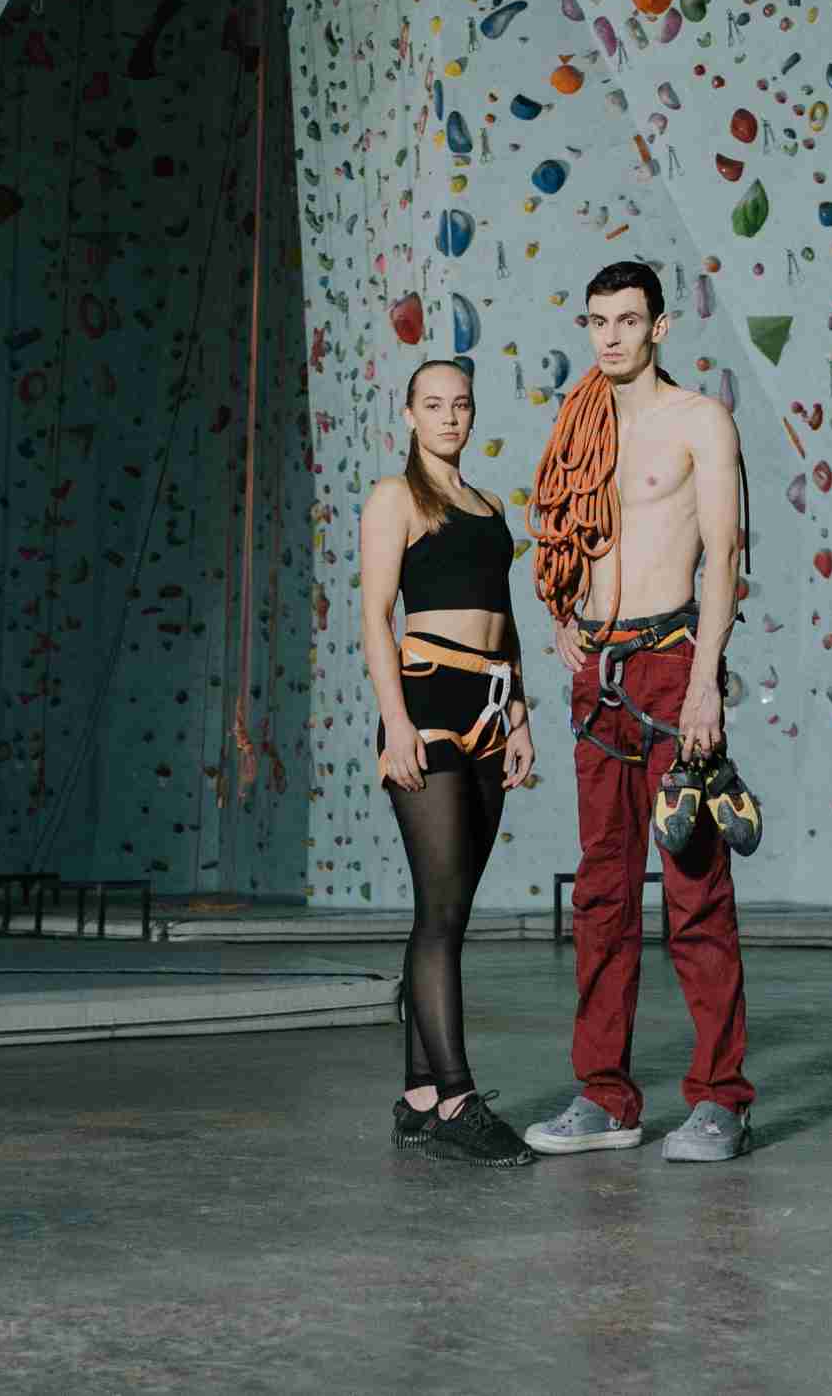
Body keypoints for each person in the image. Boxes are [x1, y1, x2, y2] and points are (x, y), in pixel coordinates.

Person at [523, 259, 757, 1163]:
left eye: (627, 320)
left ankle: (720, 1099)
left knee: (694, 888)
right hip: (598, 675)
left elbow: (723, 556)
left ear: (660, 327)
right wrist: (560, 619)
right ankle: (606, 1098)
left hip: (670, 669)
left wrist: (705, 678)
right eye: (597, 321)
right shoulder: (577, 422)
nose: (611, 336)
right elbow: (563, 534)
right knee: (601, 895)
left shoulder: (698, 420)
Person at [359, 355, 538, 1168]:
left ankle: (419, 1097)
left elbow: (504, 617)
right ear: (408, 415)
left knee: (451, 911)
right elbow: (373, 616)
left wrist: (523, 713)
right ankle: (459, 1099)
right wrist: (394, 722)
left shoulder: (490, 505)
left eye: (459, 405)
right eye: (432, 405)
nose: (449, 417)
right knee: (439, 912)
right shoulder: (394, 498)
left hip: (492, 712)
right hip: (426, 707)